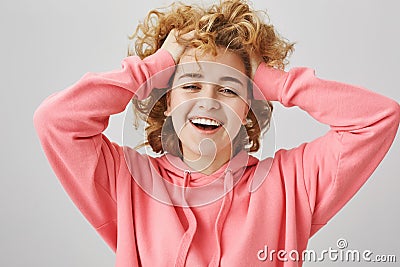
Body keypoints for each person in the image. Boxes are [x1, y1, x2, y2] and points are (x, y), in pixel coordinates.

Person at [33, 0, 399, 266]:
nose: (209, 101)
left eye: (229, 89)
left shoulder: (290, 183)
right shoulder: (128, 183)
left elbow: (377, 119)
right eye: (191, 85)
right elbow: (57, 121)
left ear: (248, 106)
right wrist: (155, 67)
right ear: (168, 99)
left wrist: (278, 83)